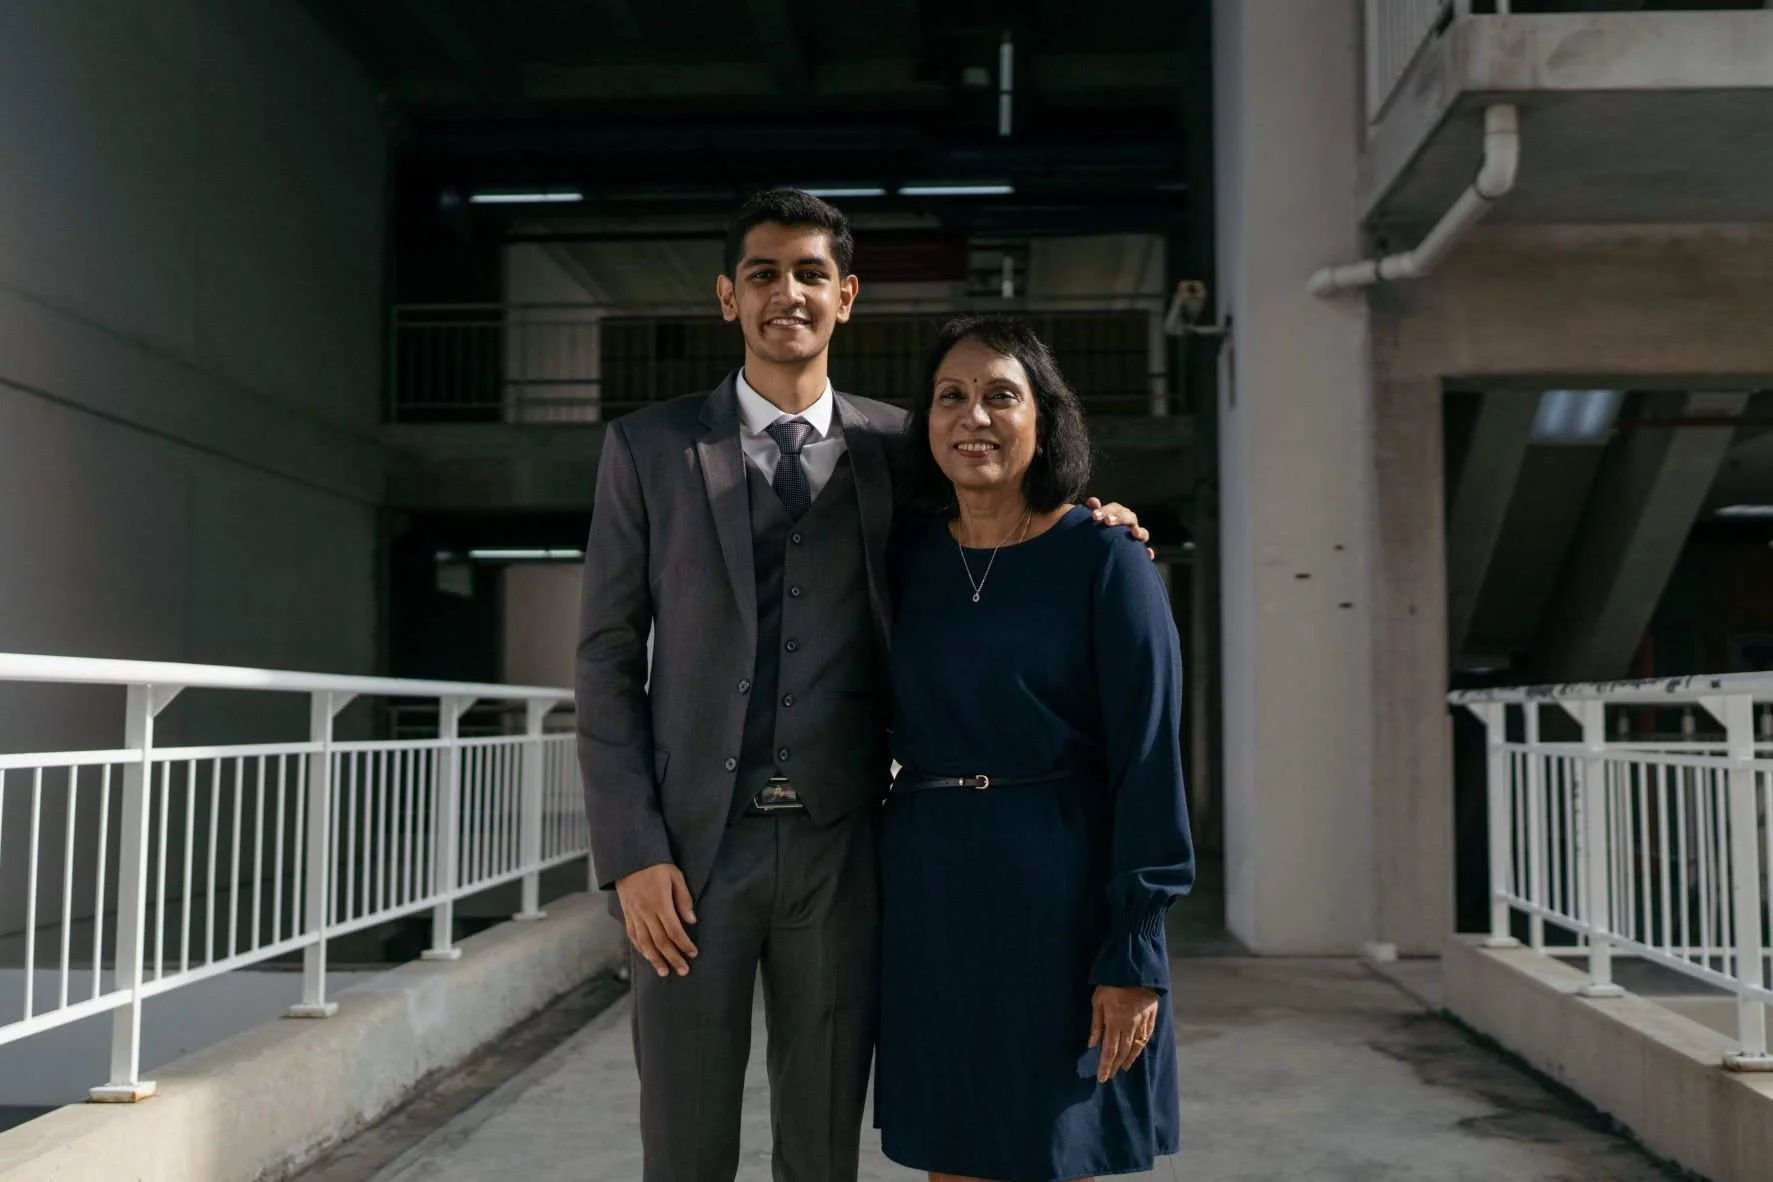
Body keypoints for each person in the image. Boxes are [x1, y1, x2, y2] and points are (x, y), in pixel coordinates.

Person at [575, 190, 1148, 1182]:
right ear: (727, 297)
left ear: (846, 297)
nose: (784, 294)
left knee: (821, 1146)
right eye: (762, 274)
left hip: (847, 853)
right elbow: (605, 658)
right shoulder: (648, 449)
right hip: (689, 859)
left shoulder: (901, 447)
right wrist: (632, 853)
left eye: (808, 274)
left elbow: (1000, 514)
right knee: (683, 1145)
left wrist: (1096, 520)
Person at [876, 315, 1195, 1182]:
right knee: (952, 1148)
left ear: (1043, 422)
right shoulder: (899, 558)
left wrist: (1134, 951)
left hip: (1059, 889)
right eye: (951, 396)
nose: (972, 416)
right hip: (930, 886)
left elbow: (1148, 758)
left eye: (999, 395)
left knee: (1050, 1148)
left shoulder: (1105, 559)